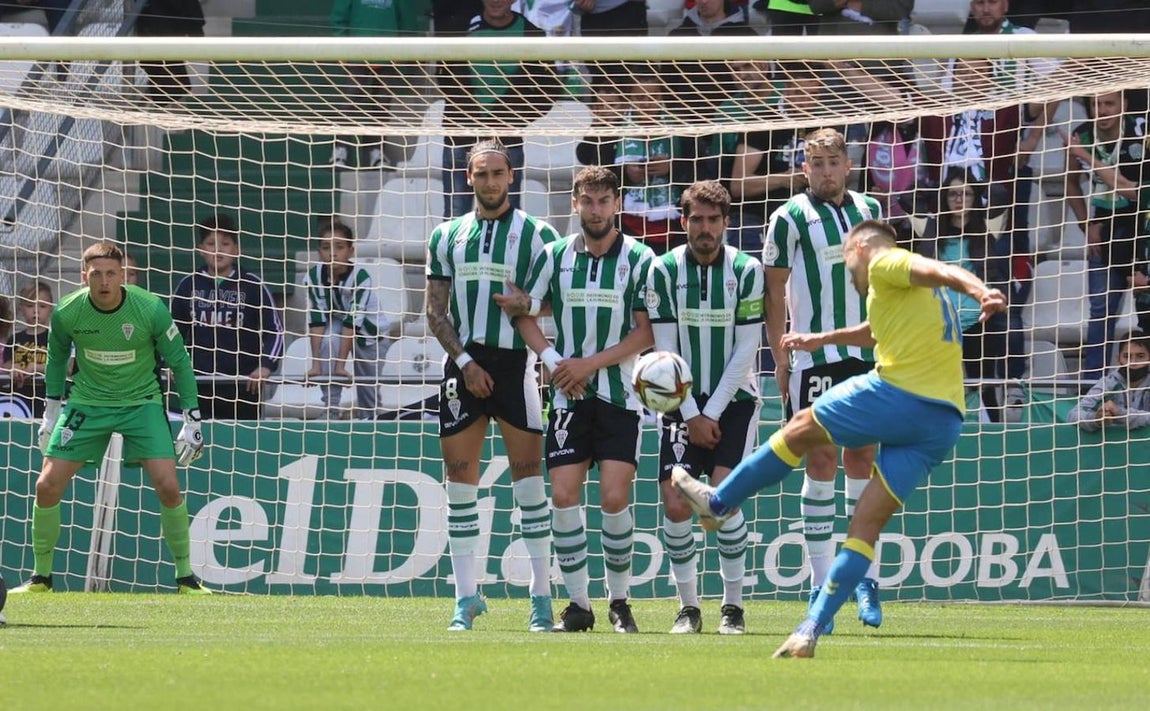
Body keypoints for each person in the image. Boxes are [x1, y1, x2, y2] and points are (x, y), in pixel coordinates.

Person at [674, 219, 1008, 657]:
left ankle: (718, 504)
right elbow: (874, 333)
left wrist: (979, 290)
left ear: (858, 250)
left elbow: (943, 269)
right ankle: (809, 631)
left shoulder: (885, 260)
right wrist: (821, 339)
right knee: (864, 526)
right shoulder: (904, 294)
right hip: (942, 422)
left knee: (799, 429)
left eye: (847, 259)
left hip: (899, 394)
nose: (848, 272)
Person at [495, 165, 654, 633]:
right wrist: (553, 359)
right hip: (567, 395)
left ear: (617, 205)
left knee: (613, 497)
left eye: (605, 201)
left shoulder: (641, 259)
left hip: (620, 392)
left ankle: (620, 601)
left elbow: (644, 332)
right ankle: (579, 605)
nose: (597, 209)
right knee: (564, 496)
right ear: (576, 204)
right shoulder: (555, 255)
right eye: (589, 201)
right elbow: (525, 313)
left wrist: (588, 365)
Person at [10, 242, 209, 595]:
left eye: (111, 274)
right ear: (84, 276)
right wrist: (50, 415)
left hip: (141, 403)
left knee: (168, 486)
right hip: (86, 404)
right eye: (96, 274)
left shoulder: (149, 308)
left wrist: (192, 420)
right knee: (46, 485)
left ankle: (186, 577)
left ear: (123, 275)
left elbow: (179, 361)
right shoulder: (67, 312)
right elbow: (56, 361)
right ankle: (41, 578)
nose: (104, 281)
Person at [425, 139, 561, 631]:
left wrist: (530, 305)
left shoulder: (539, 235)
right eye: (480, 174)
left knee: (529, 485)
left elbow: (559, 302)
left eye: (497, 173)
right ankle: (466, 599)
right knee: (460, 483)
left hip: (516, 365)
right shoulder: (447, 236)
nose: (489, 182)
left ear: (512, 177)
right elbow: (434, 311)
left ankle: (541, 598)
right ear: (468, 178)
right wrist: (464, 362)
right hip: (464, 366)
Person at [762, 127, 883, 631]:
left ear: (847, 165)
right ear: (804, 167)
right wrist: (779, 357)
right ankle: (819, 585)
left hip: (865, 352)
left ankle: (865, 580)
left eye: (834, 162)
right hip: (811, 357)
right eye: (817, 163)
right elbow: (774, 293)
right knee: (820, 458)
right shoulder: (788, 217)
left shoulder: (869, 208)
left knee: (863, 459)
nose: (826, 171)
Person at [645, 180, 763, 635]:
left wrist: (709, 414)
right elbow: (667, 349)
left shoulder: (747, 271)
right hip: (679, 402)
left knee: (719, 503)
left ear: (726, 223)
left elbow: (747, 348)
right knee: (676, 504)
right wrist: (691, 414)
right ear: (683, 221)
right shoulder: (663, 270)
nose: (705, 229)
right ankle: (688, 608)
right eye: (696, 219)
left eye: (713, 220)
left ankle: (732, 607)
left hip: (735, 402)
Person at [438, 0, 560, 219]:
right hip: (460, 136)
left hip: (506, 142)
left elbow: (551, 88)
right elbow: (443, 75)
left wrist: (515, 117)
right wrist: (467, 111)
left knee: (506, 215)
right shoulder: (459, 26)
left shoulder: (531, 34)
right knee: (454, 217)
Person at [1065, 90, 1150, 379]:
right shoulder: (1083, 133)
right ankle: (1092, 386)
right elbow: (1071, 184)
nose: (1101, 110)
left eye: (1109, 103)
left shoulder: (1141, 128)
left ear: (1124, 105)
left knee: (1146, 312)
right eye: (1095, 104)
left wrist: (1084, 155)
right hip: (1103, 233)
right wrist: (1086, 224)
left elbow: (1133, 190)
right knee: (1101, 312)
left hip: (1142, 232)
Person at [912, 169, 1010, 421]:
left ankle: (993, 439)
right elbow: (907, 196)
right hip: (940, 324)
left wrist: (976, 184)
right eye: (953, 194)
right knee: (939, 388)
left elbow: (1000, 192)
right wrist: (938, 185)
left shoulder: (988, 227)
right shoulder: (930, 229)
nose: (959, 199)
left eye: (966, 194)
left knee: (984, 386)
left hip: (979, 324)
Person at [171, 214, 284, 420]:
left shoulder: (252, 284)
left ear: (236, 249)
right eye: (211, 243)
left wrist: (266, 365)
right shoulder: (188, 285)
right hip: (198, 383)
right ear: (201, 249)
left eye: (225, 243)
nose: (218, 249)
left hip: (243, 384)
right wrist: (171, 362)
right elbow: (172, 332)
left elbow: (275, 330)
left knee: (244, 442)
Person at [302, 220, 389, 421]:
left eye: (339, 247)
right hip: (339, 323)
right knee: (329, 339)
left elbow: (353, 322)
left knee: (367, 384)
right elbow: (316, 321)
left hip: (369, 333)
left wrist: (341, 366)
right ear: (319, 252)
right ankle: (330, 409)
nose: (332, 253)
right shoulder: (314, 276)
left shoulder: (361, 277)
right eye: (326, 248)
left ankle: (370, 418)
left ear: (351, 251)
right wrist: (316, 364)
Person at [329, 0, 429, 170]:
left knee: (382, 104)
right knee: (350, 101)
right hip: (356, 52)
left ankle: (376, 151)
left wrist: (404, 46)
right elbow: (339, 15)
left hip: (388, 53)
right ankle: (340, 149)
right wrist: (341, 43)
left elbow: (407, 19)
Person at [1066, 337, 1150, 431]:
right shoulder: (1108, 383)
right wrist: (1096, 418)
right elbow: (1073, 415)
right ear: (1118, 359)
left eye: (1140, 356)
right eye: (1127, 356)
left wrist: (1119, 413)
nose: (1133, 362)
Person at [135, 0, 205, 103]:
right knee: (161, 64)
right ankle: (166, 98)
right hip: (158, 28)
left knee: (162, 64)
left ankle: (166, 98)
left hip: (161, 28)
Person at [3, 281, 53, 415]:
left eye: (42, 306)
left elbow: (63, 366)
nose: (36, 310)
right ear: (21, 309)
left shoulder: (54, 338)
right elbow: (6, 364)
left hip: (45, 397)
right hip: (18, 398)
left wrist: (36, 367)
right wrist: (14, 366)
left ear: (50, 308)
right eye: (30, 305)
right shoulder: (15, 339)